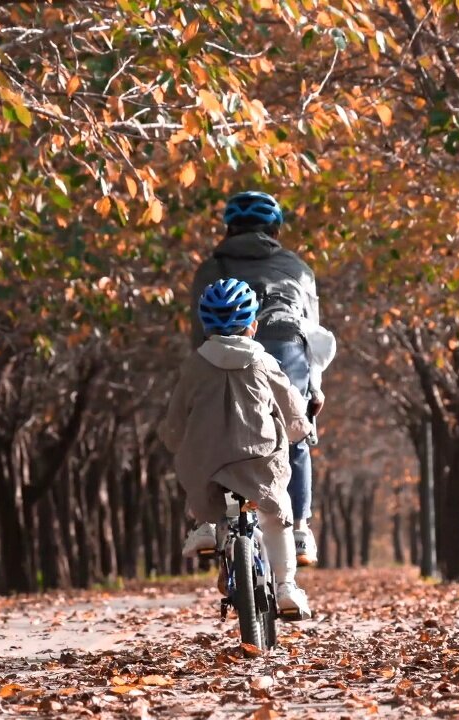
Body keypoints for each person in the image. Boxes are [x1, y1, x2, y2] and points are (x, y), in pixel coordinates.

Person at [159, 278, 314, 619]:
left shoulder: (194, 366)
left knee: (202, 480)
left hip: (208, 462)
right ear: (253, 326)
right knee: (276, 515)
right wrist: (300, 430)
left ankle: (207, 526)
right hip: (257, 460)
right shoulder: (264, 362)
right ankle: (287, 587)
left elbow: (175, 420)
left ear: (204, 327)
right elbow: (290, 405)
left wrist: (172, 438)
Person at [187, 191, 326, 566]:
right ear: (275, 229)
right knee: (295, 429)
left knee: (209, 430)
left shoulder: (210, 268)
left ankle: (208, 522)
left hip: (223, 347)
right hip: (286, 347)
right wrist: (314, 389)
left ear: (229, 228)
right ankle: (299, 530)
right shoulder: (298, 269)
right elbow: (313, 333)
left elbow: (196, 333)